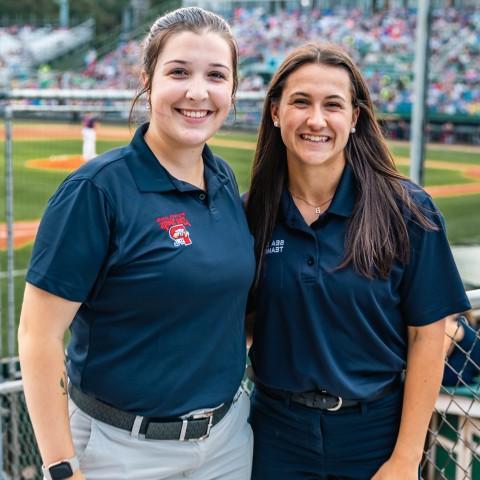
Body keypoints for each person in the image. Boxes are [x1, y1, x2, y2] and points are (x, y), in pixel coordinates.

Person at [18, 7, 255, 480]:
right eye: (179, 72)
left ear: (233, 89)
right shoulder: (97, 190)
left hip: (227, 443)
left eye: (216, 75)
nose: (197, 91)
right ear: (147, 80)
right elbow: (37, 336)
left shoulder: (225, 179)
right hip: (121, 451)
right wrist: (62, 467)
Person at [245, 43, 471, 480]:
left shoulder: (407, 210)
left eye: (333, 104)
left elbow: (429, 337)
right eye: (300, 102)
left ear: (355, 118)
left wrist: (405, 459)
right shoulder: (252, 213)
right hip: (274, 432)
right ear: (275, 112)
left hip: (375, 434)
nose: (316, 119)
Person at [443, 312, 480, 387]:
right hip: (467, 375)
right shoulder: (466, 323)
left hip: (454, 375)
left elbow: (440, 355)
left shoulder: (453, 325)